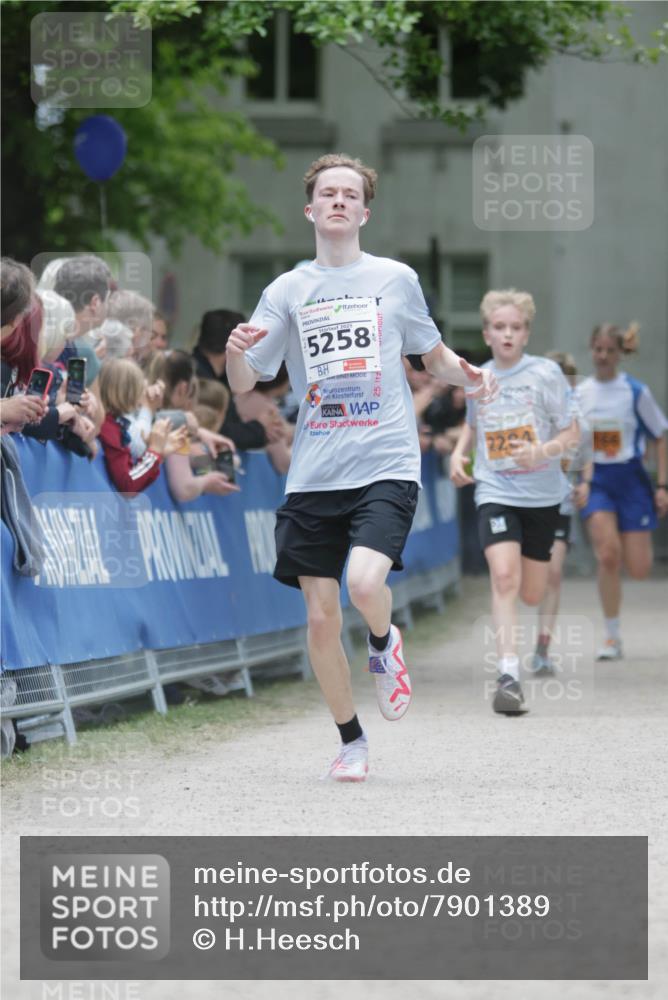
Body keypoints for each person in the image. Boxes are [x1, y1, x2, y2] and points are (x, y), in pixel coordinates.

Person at [226, 153, 497, 781]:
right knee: (320, 617)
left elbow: (431, 355)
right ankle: (352, 741)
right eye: (329, 193)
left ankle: (383, 642)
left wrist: (468, 374)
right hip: (315, 472)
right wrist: (239, 355)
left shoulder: (395, 279)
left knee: (366, 586)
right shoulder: (287, 290)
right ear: (311, 209)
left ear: (365, 211)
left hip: (385, 459)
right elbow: (250, 379)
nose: (340, 201)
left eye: (351, 194)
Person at [450, 289, 580, 714]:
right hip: (496, 491)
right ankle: (509, 675)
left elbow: (571, 433)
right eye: (500, 327)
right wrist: (458, 453)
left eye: (516, 328)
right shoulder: (478, 378)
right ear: (487, 334)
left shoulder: (546, 374)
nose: (508, 334)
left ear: (526, 334)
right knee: (503, 579)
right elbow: (472, 426)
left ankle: (520, 654)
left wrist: (541, 453)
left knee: (531, 592)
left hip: (543, 496)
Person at [576, 323, 668, 660]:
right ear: (591, 350)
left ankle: (615, 631)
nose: (602, 356)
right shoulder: (581, 392)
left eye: (609, 350)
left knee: (640, 567)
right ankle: (612, 636)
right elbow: (573, 440)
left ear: (619, 354)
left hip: (631, 478)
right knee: (608, 554)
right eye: (597, 349)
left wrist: (662, 486)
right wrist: (577, 478)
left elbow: (661, 435)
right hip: (596, 478)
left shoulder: (635, 391)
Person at [531, 352, 593, 675]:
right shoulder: (525, 414)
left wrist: (585, 483)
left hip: (561, 507)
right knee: (522, 579)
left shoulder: (578, 420)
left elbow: (587, 456)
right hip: (524, 504)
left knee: (553, 574)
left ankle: (542, 649)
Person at [193, 309, 284, 450]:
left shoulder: (218, 378)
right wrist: (259, 428)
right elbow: (222, 431)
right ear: (234, 343)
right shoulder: (201, 382)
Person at [98, 359, 187, 495]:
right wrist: (155, 450)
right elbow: (128, 485)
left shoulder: (115, 422)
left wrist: (158, 454)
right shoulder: (109, 426)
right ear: (130, 393)